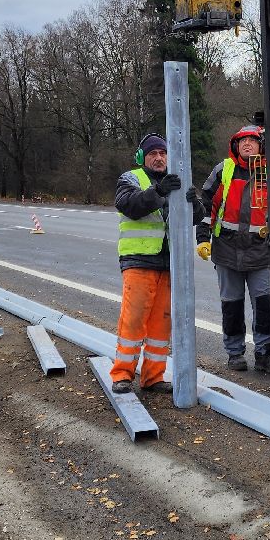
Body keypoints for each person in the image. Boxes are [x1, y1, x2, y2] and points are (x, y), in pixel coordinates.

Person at [195, 124, 270, 375]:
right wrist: (202, 238)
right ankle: (235, 353)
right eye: (242, 141)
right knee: (232, 305)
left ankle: (264, 353)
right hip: (226, 249)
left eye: (252, 141)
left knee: (265, 304)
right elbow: (204, 207)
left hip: (260, 251)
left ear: (261, 146)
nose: (247, 144)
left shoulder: (269, 171)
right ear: (236, 146)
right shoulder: (223, 170)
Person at [111, 134, 183, 395]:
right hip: (139, 261)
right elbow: (129, 205)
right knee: (133, 322)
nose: (159, 157)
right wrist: (159, 191)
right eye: (153, 153)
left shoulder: (174, 181)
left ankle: (153, 377)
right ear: (142, 157)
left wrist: (192, 200)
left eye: (163, 153)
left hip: (167, 264)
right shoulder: (130, 178)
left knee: (160, 326)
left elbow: (195, 215)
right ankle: (122, 374)